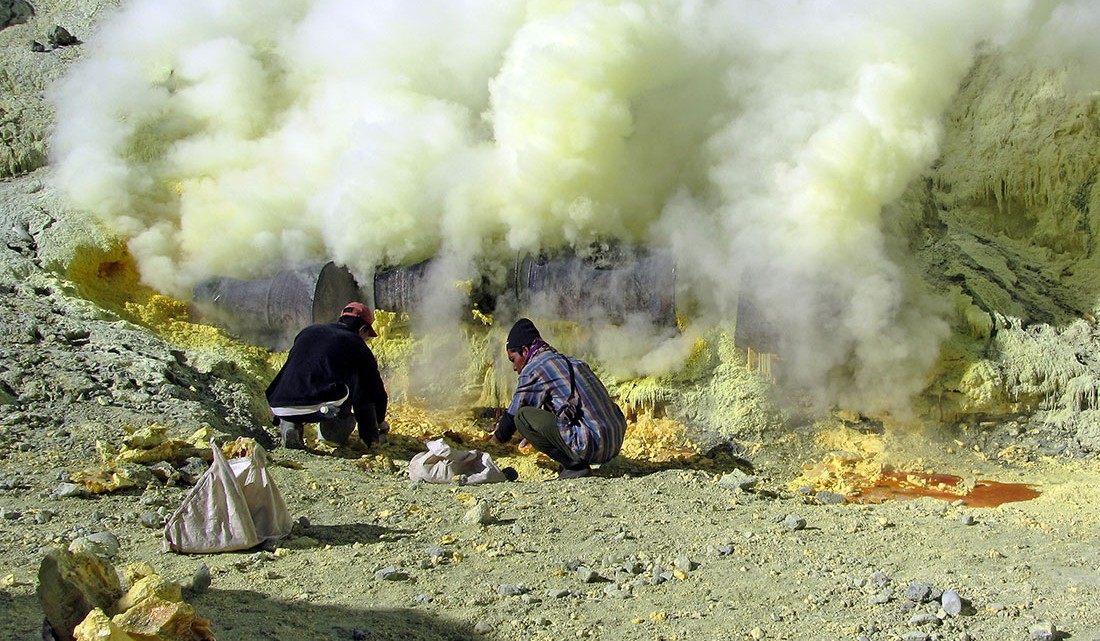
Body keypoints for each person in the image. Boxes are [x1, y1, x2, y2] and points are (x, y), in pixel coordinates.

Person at [491, 318, 626, 479]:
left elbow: (514, 413)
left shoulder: (533, 368)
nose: (514, 367)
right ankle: (577, 457)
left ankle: (574, 466)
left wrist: (492, 445)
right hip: (615, 440)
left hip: (594, 446)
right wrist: (540, 435)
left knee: (523, 417)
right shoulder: (571, 362)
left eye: (513, 359)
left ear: (525, 351)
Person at [266, 302, 388, 450]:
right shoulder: (355, 343)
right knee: (359, 386)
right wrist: (378, 422)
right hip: (321, 406)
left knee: (298, 401)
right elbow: (374, 391)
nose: (366, 340)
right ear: (362, 329)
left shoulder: (308, 331)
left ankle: (290, 426)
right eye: (367, 336)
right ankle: (331, 435)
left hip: (280, 402)